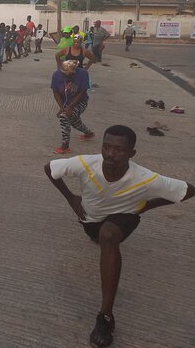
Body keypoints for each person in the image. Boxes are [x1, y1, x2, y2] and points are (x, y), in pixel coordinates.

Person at [45, 124, 194, 347]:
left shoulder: (144, 177)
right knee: (98, 234)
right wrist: (71, 199)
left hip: (124, 218)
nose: (111, 154)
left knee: (108, 236)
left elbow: (188, 190)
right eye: (106, 147)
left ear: (131, 154)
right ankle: (100, 237)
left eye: (119, 150)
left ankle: (105, 316)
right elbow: (50, 168)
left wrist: (146, 206)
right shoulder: (86, 164)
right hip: (90, 219)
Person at [51, 60, 95, 154]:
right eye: (65, 75)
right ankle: (89, 134)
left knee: (64, 117)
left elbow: (82, 92)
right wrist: (62, 107)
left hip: (80, 102)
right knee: (74, 122)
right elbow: (55, 92)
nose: (67, 77)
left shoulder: (82, 73)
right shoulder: (56, 75)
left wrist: (70, 107)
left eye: (70, 75)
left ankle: (65, 146)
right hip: (65, 103)